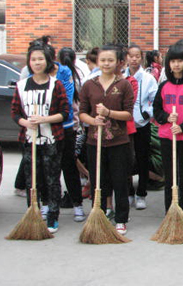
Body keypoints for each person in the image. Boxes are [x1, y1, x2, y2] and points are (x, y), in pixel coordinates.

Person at [11, 43, 69, 233]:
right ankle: (34, 212)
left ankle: (53, 216)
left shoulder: (56, 85)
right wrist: (25, 122)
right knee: (32, 179)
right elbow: (15, 113)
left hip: (52, 139)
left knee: (52, 178)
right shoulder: (21, 86)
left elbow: (64, 112)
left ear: (47, 61)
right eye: (33, 59)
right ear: (29, 62)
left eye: (40, 59)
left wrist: (45, 119)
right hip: (29, 139)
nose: (37, 62)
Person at [79, 45, 134, 235]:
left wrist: (108, 113)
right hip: (94, 142)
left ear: (118, 62)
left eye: (110, 60)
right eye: (103, 60)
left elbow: (128, 115)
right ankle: (100, 214)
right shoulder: (89, 85)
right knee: (98, 181)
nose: (106, 63)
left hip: (119, 141)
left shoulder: (124, 85)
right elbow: (82, 113)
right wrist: (93, 120)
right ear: (97, 62)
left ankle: (121, 218)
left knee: (120, 180)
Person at [153, 44, 183, 217]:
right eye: (172, 61)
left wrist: (182, 127)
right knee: (170, 178)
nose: (176, 65)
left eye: (179, 61)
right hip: (167, 137)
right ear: (168, 64)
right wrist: (166, 118)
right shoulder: (164, 86)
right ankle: (170, 212)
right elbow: (156, 110)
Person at [124, 44, 158, 210]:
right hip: (124, 124)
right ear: (126, 58)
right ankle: (129, 192)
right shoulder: (121, 77)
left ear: (142, 57)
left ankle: (141, 193)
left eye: (137, 56)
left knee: (143, 158)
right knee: (127, 159)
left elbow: (156, 99)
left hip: (141, 123)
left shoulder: (148, 78)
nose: (134, 59)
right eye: (131, 56)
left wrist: (148, 113)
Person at [58, 47, 86, 222]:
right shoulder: (79, 73)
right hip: (72, 126)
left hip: (66, 125)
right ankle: (77, 205)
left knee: (62, 167)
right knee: (70, 167)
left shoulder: (65, 76)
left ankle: (52, 204)